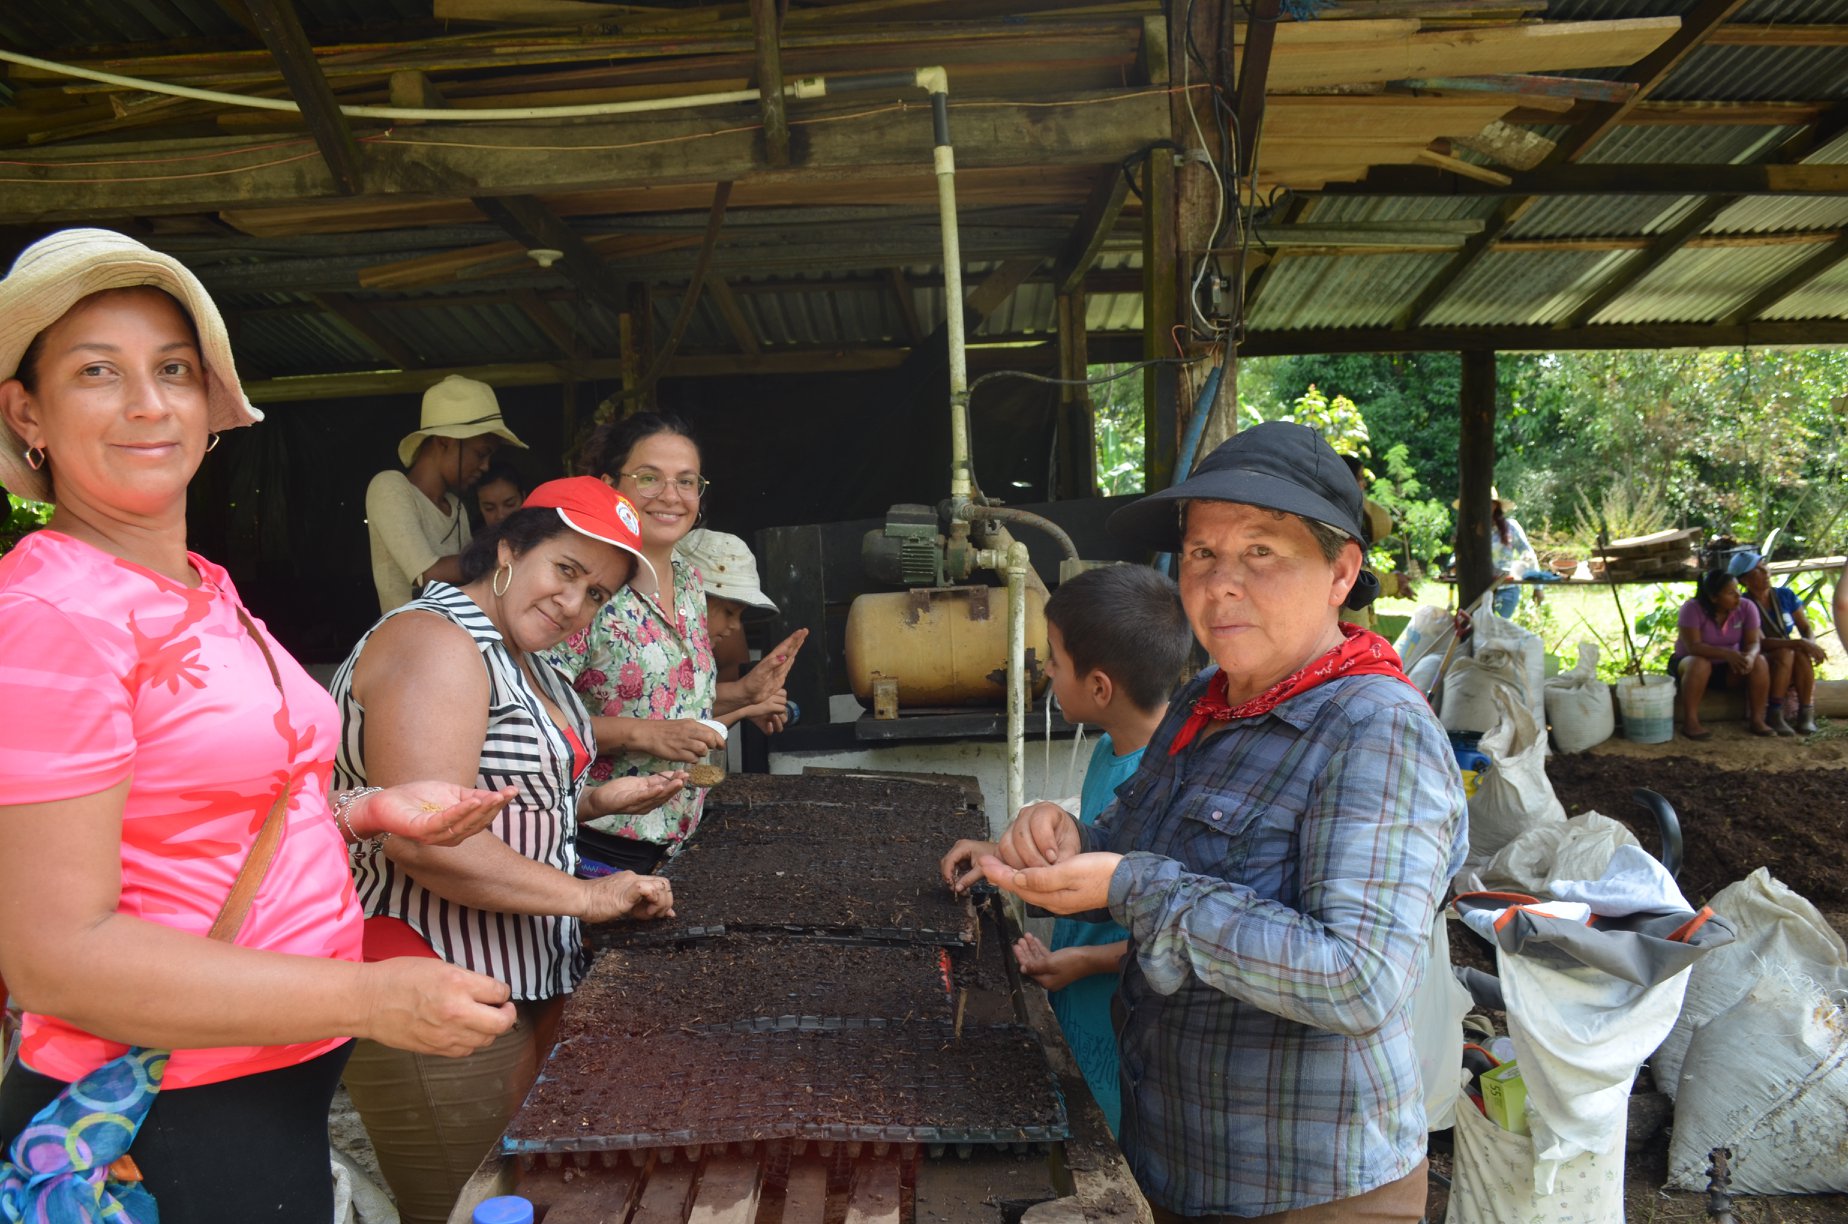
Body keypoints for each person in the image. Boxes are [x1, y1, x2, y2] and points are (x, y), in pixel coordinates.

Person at [0, 228, 520, 1224]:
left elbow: (198, 808)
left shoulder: (197, 587)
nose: (149, 403)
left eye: (174, 371)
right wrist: (374, 999)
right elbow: (55, 955)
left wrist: (365, 811)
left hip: (263, 1091)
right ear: (30, 412)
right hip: (155, 1119)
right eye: (97, 372)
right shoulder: (52, 617)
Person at [971, 421, 1467, 1223]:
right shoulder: (1208, 701)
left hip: (1308, 1189)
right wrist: (1067, 844)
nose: (1220, 583)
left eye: (1261, 552)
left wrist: (1133, 884)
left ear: (1342, 571)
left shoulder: (1374, 728)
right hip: (1179, 1158)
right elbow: (1128, 856)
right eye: (1202, 554)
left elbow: (1358, 979)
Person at [331, 476, 686, 1224]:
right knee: (467, 1207)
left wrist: (593, 801)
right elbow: (424, 839)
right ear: (509, 549)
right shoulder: (435, 641)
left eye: (596, 594)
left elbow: (493, 797)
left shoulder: (531, 660)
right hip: (430, 976)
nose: (573, 603)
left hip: (521, 974)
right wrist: (591, 896)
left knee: (522, 1204)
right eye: (565, 569)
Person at [940, 564, 1193, 1137]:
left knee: (1115, 1148)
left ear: (1100, 687)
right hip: (1077, 1000)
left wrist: (1081, 962)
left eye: (1054, 660)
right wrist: (997, 855)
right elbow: (1091, 846)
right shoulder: (1111, 748)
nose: (1046, 671)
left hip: (1121, 1019)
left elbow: (1174, 931)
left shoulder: (1171, 785)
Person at [547, 413, 808, 874]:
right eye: (649, 478)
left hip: (676, 838)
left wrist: (744, 694)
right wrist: (641, 734)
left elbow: (667, 702)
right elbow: (534, 725)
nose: (670, 496)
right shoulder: (583, 586)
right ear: (611, 485)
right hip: (594, 841)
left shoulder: (689, 581)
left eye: (686, 481)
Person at [366, 374, 527, 612]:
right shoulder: (389, 486)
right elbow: (430, 575)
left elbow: (470, 585)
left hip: (453, 642)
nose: (485, 466)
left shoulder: (455, 507)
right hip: (407, 644)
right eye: (481, 453)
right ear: (444, 442)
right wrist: (512, 553)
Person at [1672, 568, 1772, 740]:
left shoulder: (1747, 607)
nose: (1738, 596)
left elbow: (1753, 642)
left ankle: (1757, 719)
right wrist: (1727, 653)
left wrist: (1749, 656)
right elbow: (1693, 647)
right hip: (1689, 665)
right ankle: (1690, 721)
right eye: (1730, 593)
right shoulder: (1692, 609)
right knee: (1699, 663)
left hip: (1726, 667)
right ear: (1713, 597)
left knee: (1759, 661)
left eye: (1738, 591)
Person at [1740, 554, 1823, 735]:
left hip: (1788, 651)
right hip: (1762, 655)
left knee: (1799, 653)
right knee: (1788, 652)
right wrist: (1799, 642)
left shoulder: (1785, 595)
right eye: (1758, 570)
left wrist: (1810, 643)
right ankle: (1775, 713)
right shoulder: (1745, 604)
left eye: (1765, 567)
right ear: (1745, 579)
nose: (1766, 572)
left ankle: (1806, 713)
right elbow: (1761, 642)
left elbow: (1805, 627)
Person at [475, 457, 529, 528]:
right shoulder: (473, 537)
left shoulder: (541, 535)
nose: (500, 516)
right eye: (489, 508)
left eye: (510, 504)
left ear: (523, 498)